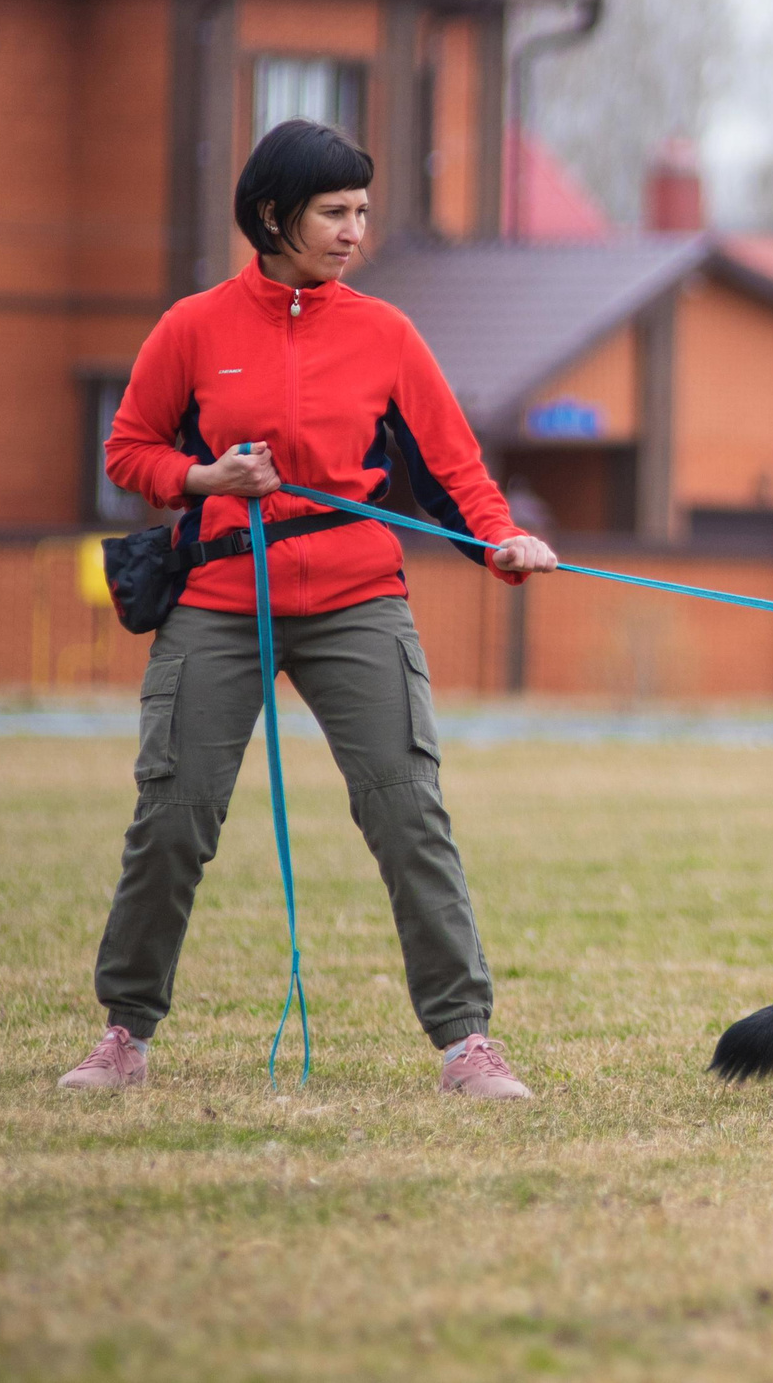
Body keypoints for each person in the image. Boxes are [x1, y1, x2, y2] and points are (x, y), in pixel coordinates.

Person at [57, 120, 559, 1100]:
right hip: (215, 598)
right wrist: (208, 474)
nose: (354, 230)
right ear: (274, 213)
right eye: (336, 210)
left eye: (363, 210)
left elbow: (451, 470)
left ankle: (466, 1043)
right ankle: (124, 1032)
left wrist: (501, 542)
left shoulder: (387, 334)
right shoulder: (193, 327)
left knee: (409, 812)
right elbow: (129, 451)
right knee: (174, 815)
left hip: (356, 599)